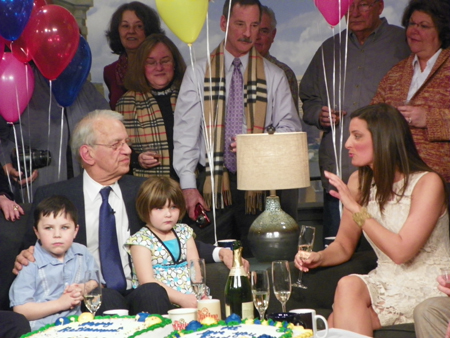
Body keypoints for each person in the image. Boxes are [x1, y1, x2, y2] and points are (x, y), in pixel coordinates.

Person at [14, 110, 244, 316]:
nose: (127, 150)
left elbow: (174, 237)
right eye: (116, 145)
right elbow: (30, 251)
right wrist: (25, 257)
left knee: (152, 291)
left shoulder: (143, 190)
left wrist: (221, 253)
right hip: (90, 293)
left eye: (127, 142)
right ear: (88, 154)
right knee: (106, 297)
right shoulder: (54, 197)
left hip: (141, 288)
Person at [294, 103, 450, 336]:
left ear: (383, 139)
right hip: (385, 279)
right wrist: (319, 256)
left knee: (335, 321)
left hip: (430, 285)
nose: (347, 144)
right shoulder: (359, 181)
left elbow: (401, 252)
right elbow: (344, 246)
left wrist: (355, 207)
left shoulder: (428, 183)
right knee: (348, 286)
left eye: (357, 136)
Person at [173, 0, 302, 249]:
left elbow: (290, 130)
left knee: (261, 259)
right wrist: (188, 188)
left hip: (260, 186)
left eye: (254, 25)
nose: (247, 33)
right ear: (224, 23)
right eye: (240, 24)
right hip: (211, 185)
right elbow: (185, 135)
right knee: (213, 262)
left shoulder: (274, 75)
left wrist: (256, 145)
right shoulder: (198, 73)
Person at [300, 0, 410, 242]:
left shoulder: (404, 43)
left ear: (380, 7)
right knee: (338, 249)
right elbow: (307, 99)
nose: (355, 13)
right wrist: (319, 114)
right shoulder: (329, 48)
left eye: (363, 5)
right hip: (340, 170)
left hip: (390, 173)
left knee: (386, 248)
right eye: (349, 6)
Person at [0, 65, 109, 203]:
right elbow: (3, 139)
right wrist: (8, 165)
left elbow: (110, 129)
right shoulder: (19, 84)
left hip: (87, 189)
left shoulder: (85, 89)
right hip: (37, 190)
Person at [371, 0, 450, 189]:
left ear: (442, 31)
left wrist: (429, 118)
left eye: (424, 26)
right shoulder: (395, 73)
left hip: (443, 181)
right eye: (412, 24)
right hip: (399, 181)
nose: (414, 30)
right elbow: (373, 116)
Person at [9, 195, 99, 330]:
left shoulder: (82, 253)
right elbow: (21, 310)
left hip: (77, 324)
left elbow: (96, 282)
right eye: (48, 228)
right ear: (37, 232)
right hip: (42, 328)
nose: (57, 234)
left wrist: (82, 288)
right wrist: (61, 303)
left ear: (75, 231)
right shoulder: (30, 261)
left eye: (64, 227)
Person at [116, 34, 186, 180]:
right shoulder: (126, 103)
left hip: (190, 185)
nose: (159, 67)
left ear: (174, 63)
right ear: (141, 66)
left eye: (165, 61)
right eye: (151, 62)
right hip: (148, 189)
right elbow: (116, 149)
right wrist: (137, 159)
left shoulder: (189, 95)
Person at [125, 176, 198, 308]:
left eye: (173, 207)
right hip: (160, 301)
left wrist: (199, 292)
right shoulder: (141, 240)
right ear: (145, 209)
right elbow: (147, 281)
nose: (168, 214)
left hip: (192, 297)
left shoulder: (184, 232)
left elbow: (195, 268)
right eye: (159, 208)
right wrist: (182, 299)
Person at [104, 1, 164, 110]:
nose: (131, 31)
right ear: (117, 31)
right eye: (125, 26)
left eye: (139, 26)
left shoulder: (160, 66)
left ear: (149, 30)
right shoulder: (110, 72)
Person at [254, 5, 299, 112]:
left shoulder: (285, 73)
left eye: (263, 31)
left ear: (273, 35)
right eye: (253, 28)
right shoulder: (223, 69)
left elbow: (290, 124)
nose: (257, 36)